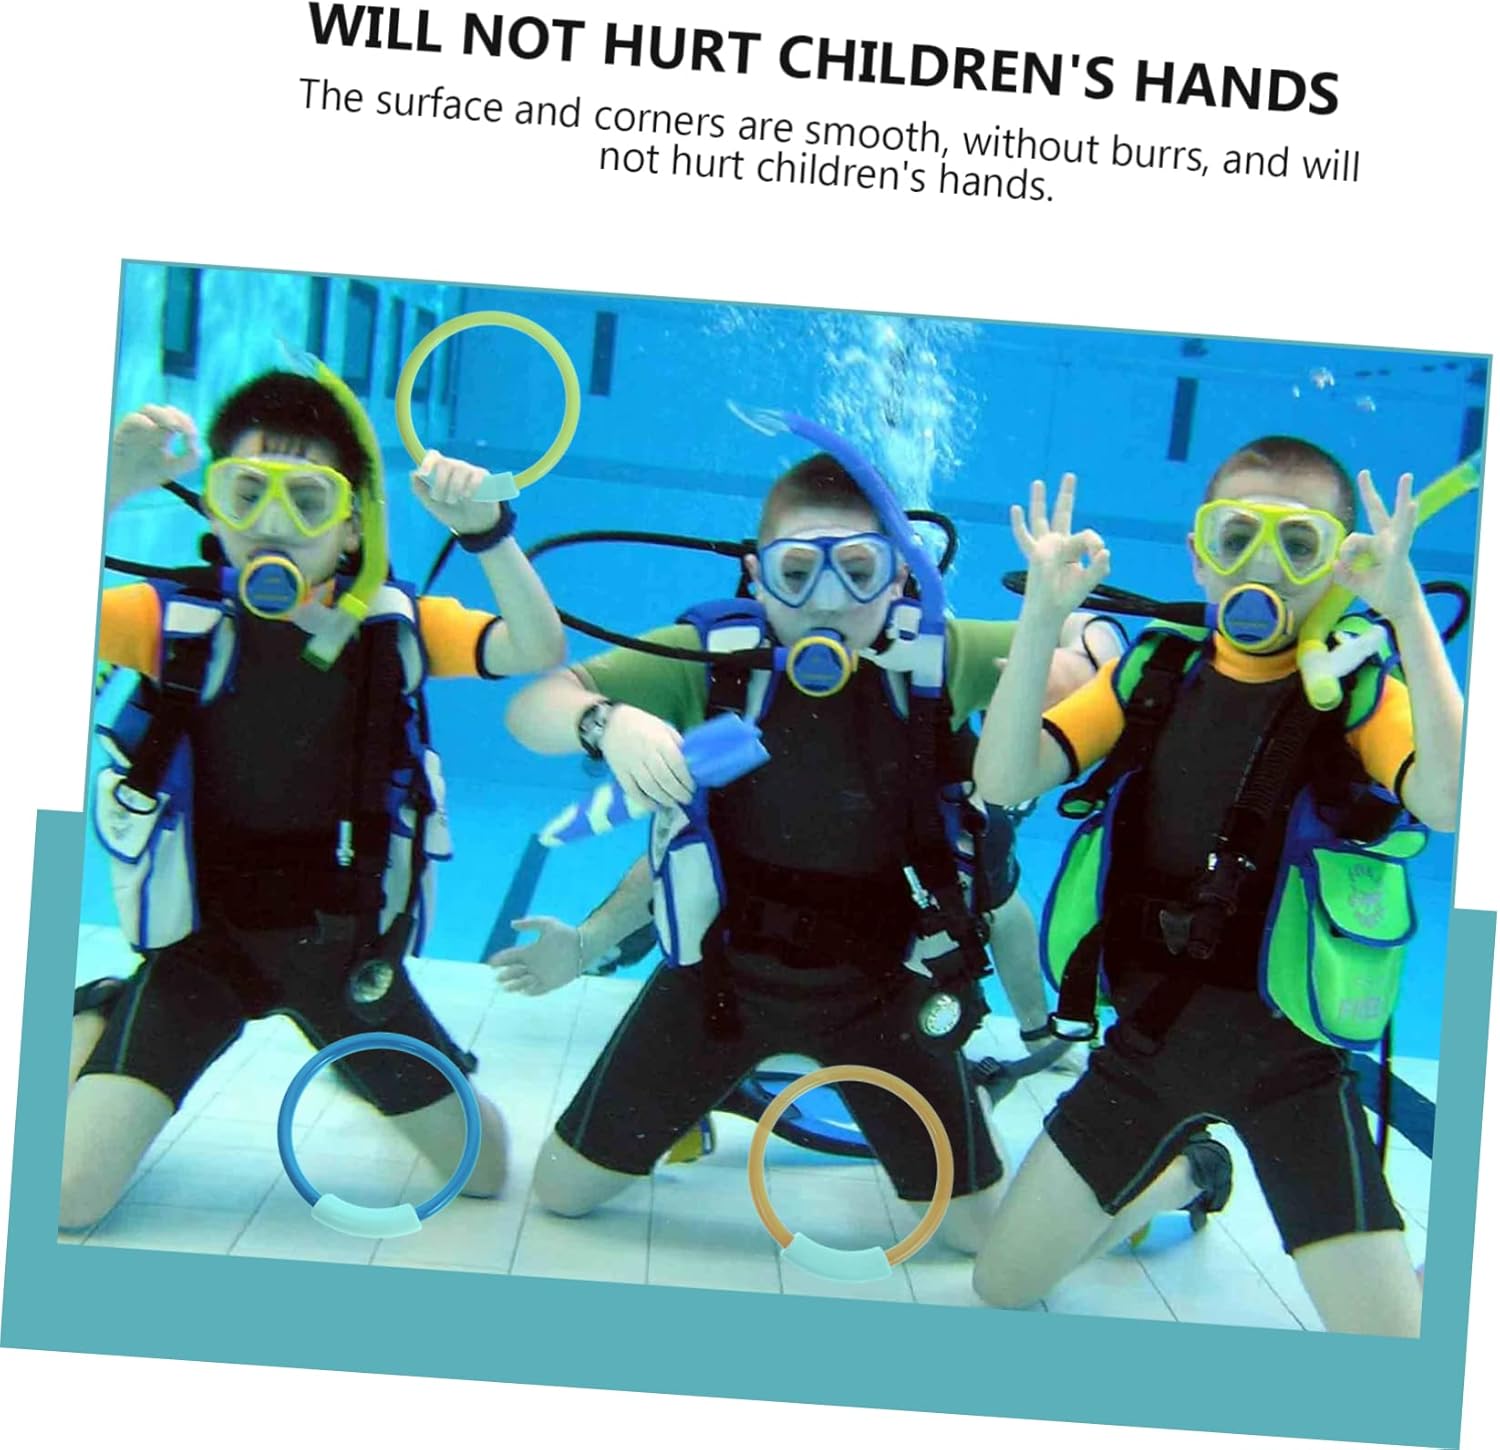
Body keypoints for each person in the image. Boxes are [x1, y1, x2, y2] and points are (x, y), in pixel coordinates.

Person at [503, 449, 1109, 1253]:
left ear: (901, 575)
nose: (828, 600)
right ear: (757, 577)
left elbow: (1086, 640)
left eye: (859, 570)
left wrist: (1076, 635)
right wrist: (604, 722)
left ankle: (957, 1097)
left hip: (883, 988)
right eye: (797, 573)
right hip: (718, 982)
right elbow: (534, 707)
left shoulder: (941, 656)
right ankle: (719, 1089)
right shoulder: (709, 658)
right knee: (561, 1192)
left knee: (977, 1234)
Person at [970, 440, 1460, 1334]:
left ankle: (1195, 1175)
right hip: (1147, 1047)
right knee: (1001, 1286)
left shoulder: (1359, 695)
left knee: (1391, 1347)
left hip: (1293, 1068)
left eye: (1299, 545)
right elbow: (1003, 779)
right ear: (1200, 555)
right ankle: (1186, 1173)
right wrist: (1042, 617)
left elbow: (1454, 799)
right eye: (1237, 537)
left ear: (1340, 566)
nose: (1262, 567)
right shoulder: (1153, 672)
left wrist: (1406, 610)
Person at [63, 368, 566, 1230]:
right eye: (246, 492)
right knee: (67, 1201)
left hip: (341, 954)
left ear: (352, 525)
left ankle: (355, 1058)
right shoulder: (171, 621)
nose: (271, 523)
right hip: (200, 953)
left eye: (307, 500)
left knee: (482, 1169)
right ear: (213, 505)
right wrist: (110, 486)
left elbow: (534, 646)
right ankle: (102, 1015)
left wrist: (485, 533)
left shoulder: (393, 630)